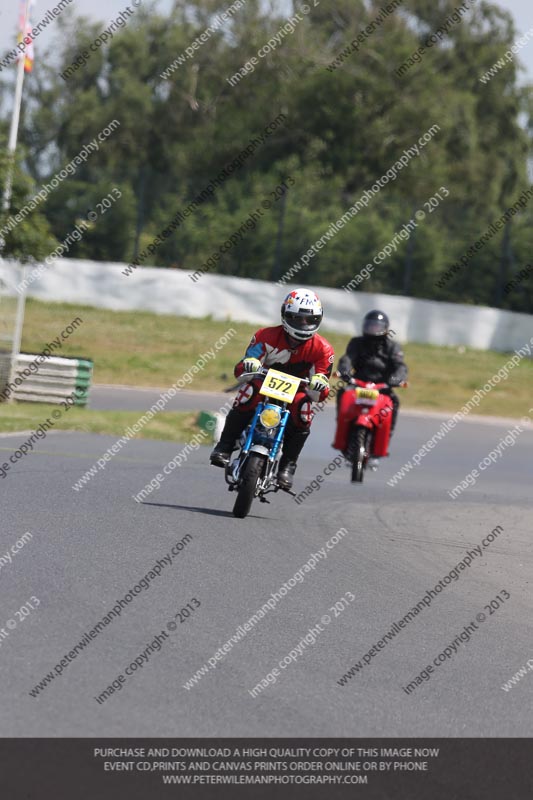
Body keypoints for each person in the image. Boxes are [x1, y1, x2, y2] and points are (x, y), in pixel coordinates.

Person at [210, 288, 334, 490]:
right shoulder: (265, 335)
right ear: (285, 315)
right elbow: (245, 363)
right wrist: (250, 362)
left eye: (308, 319)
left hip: (296, 390)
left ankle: (288, 465)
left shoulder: (323, 349)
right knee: (248, 393)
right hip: (263, 381)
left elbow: (321, 385)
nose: (303, 324)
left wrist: (320, 381)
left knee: (304, 410)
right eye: (297, 318)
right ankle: (224, 446)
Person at [336, 310, 408, 457]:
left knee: (394, 402)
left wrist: (396, 379)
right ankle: (342, 427)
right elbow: (347, 359)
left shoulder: (392, 347)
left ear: (385, 328)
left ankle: (386, 438)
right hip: (358, 384)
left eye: (377, 326)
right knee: (342, 393)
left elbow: (400, 366)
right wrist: (345, 371)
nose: (373, 329)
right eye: (370, 326)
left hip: (382, 388)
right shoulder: (357, 343)